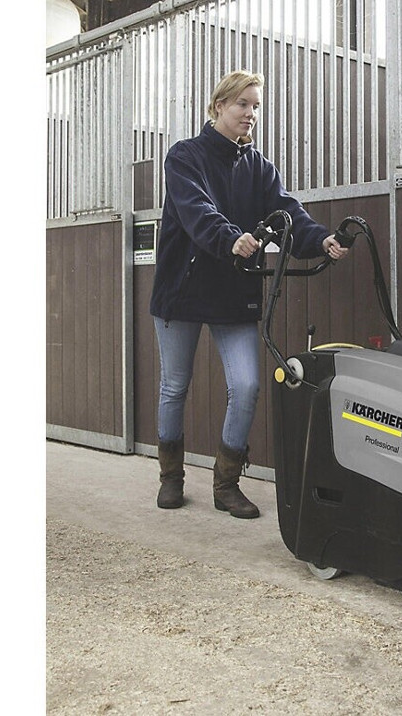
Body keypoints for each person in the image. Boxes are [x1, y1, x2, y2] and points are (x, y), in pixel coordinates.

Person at [148, 70, 349, 518]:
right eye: (243, 104)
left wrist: (321, 240)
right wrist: (230, 238)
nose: (250, 113)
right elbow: (197, 210)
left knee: (247, 385)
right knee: (174, 386)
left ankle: (226, 485)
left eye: (256, 105)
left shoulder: (259, 168)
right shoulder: (184, 156)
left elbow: (289, 212)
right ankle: (170, 477)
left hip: (233, 291)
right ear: (219, 105)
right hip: (182, 290)